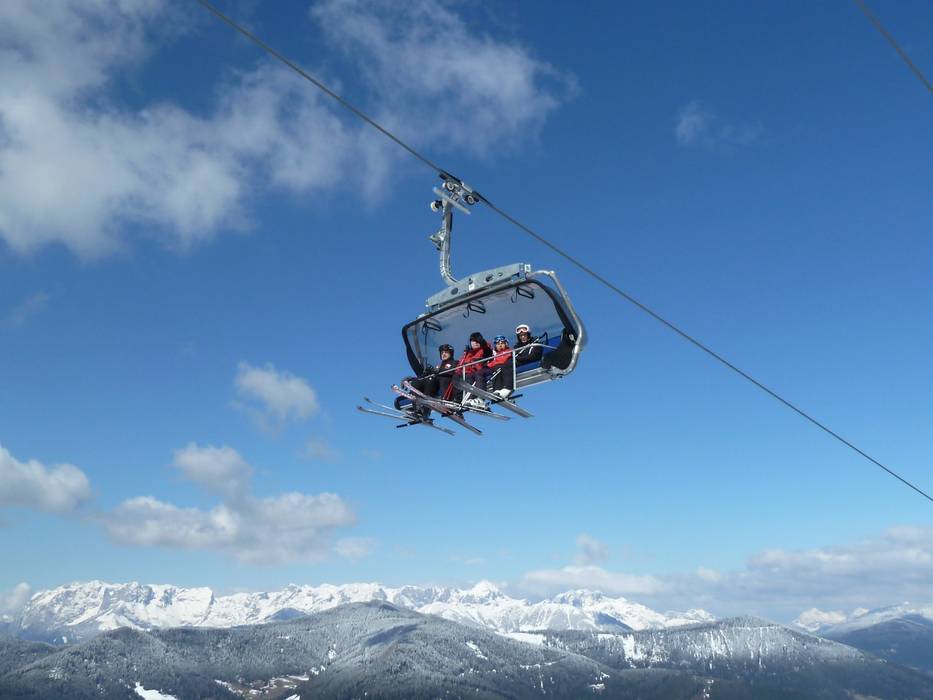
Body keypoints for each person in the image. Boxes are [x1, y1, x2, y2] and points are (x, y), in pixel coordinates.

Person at [456, 331, 492, 404]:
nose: (475, 343)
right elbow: (461, 364)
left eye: (477, 341)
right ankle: (469, 399)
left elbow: (488, 360)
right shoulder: (469, 353)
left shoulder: (485, 350)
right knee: (467, 376)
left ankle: (480, 398)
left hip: (483, 370)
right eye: (473, 341)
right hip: (471, 372)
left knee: (477, 374)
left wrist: (476, 362)